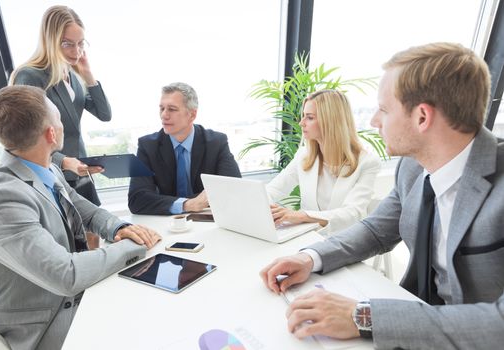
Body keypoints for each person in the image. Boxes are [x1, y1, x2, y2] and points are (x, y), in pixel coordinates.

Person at [260, 42, 504, 349]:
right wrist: (310, 257)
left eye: (384, 109)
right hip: (416, 321)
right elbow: (376, 230)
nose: (374, 121)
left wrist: (365, 317)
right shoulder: (413, 169)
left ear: (422, 117)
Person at [0, 85, 162, 350]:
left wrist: (120, 227)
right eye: (60, 119)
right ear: (51, 134)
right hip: (40, 333)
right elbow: (66, 275)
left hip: (71, 303)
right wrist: (136, 244)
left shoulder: (46, 168)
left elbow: (85, 209)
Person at [11, 5, 110, 249]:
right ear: (50, 41)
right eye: (67, 44)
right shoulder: (31, 76)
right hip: (53, 169)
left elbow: (104, 114)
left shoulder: (73, 77)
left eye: (80, 44)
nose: (76, 51)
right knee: (66, 243)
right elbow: (26, 138)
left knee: (93, 234)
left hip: (80, 169)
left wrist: (87, 75)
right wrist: (64, 161)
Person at [266, 90, 381, 233]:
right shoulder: (304, 156)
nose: (301, 123)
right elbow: (274, 190)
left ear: (330, 120)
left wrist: (302, 215)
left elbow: (352, 213)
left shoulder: (367, 162)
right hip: (308, 237)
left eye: (309, 117)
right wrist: (266, 208)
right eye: (304, 116)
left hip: (346, 242)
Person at [128, 82, 241, 215]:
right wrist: (187, 204)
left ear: (192, 115)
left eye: (172, 109)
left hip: (206, 221)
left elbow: (234, 189)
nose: (164, 115)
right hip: (165, 224)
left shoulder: (216, 142)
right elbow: (137, 200)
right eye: (162, 108)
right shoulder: (147, 146)